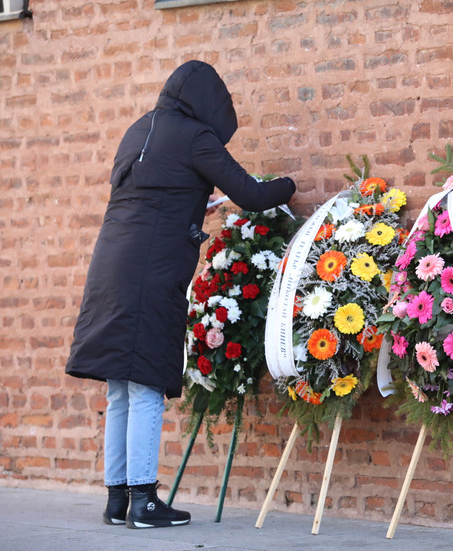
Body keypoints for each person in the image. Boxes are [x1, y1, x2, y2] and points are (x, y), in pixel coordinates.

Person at [65, 60, 296, 529]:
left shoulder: (138, 129)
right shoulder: (195, 135)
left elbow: (152, 193)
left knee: (121, 388)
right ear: (207, 102)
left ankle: (118, 500)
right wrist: (290, 185)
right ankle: (146, 503)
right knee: (146, 382)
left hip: (110, 266)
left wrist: (195, 198)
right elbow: (252, 194)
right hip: (151, 272)